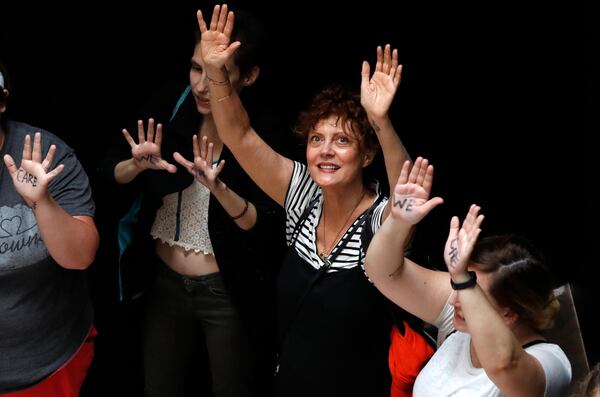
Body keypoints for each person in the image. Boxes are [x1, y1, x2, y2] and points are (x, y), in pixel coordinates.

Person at [196, 5, 412, 396]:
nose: (326, 151)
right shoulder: (303, 198)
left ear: (366, 155)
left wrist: (379, 121)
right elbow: (240, 136)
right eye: (317, 140)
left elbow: (406, 199)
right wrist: (216, 74)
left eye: (342, 140)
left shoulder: (380, 217)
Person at [96, 8, 286, 397]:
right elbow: (105, 176)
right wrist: (134, 166)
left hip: (227, 291)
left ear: (247, 76)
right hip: (163, 284)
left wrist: (223, 192)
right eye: (196, 68)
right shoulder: (170, 106)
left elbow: (271, 225)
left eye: (217, 73)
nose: (202, 85)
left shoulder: (263, 129)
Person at [364, 157, 572, 396]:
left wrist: (463, 280)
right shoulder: (460, 315)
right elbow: (383, 272)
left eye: (470, 291)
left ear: (509, 314)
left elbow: (504, 365)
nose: (455, 299)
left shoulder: (551, 362)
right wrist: (399, 222)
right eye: (459, 285)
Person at [0, 63, 99, 396]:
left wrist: (42, 201)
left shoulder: (44, 156)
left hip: (46, 366)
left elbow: (81, 255)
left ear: (1, 101)